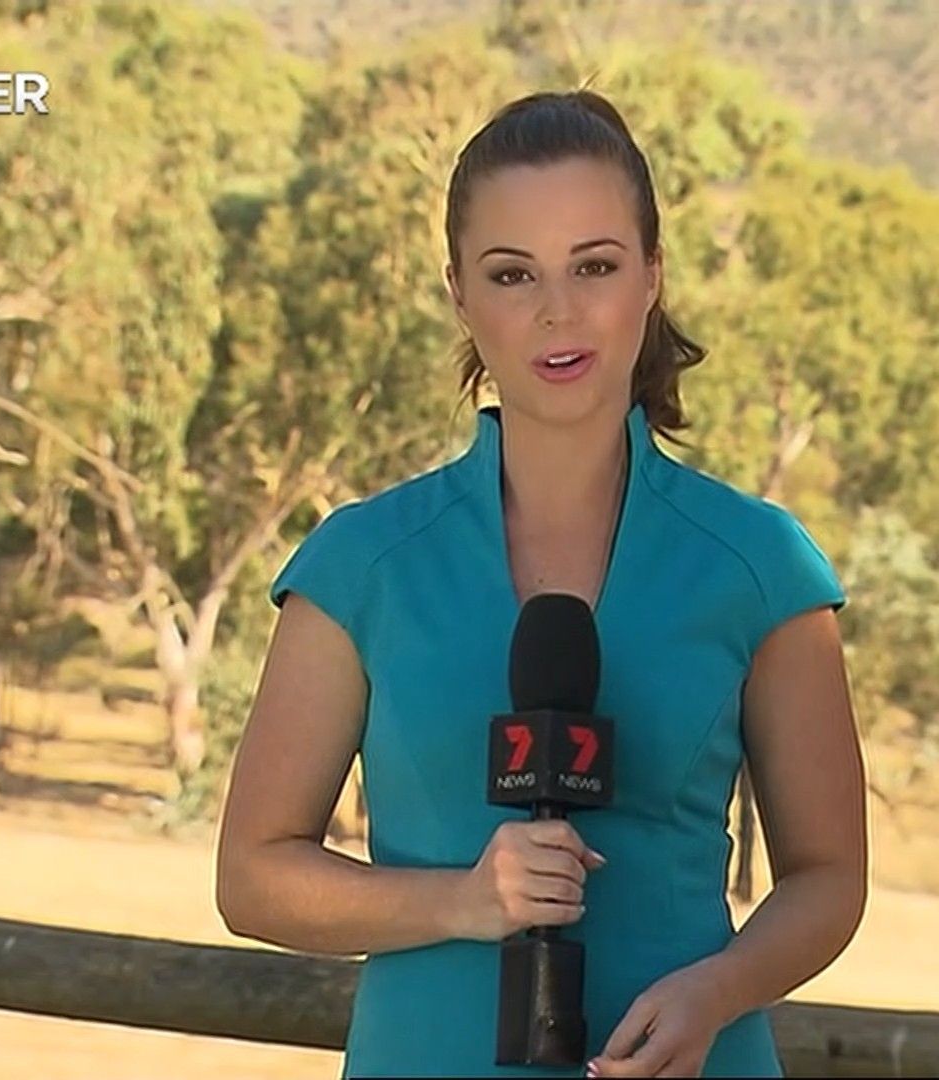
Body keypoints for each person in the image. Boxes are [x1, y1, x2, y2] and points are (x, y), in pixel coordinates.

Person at [215, 90, 867, 1079]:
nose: (558, 310)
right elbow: (253, 876)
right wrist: (462, 901)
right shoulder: (361, 566)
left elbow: (828, 879)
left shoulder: (761, 566)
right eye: (512, 274)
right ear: (459, 294)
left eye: (594, 266)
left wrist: (719, 991)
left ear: (652, 274)